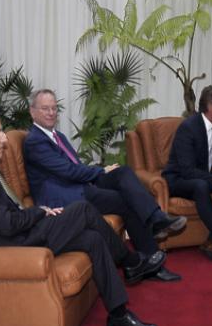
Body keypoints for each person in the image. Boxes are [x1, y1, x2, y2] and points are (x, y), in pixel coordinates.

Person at [0, 107, 160, 326]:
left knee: (92, 239)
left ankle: (119, 315)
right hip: (12, 246)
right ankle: (131, 262)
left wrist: (37, 212)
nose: (4, 139)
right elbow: (7, 225)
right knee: (83, 210)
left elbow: (4, 216)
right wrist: (38, 212)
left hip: (19, 234)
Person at [23, 89, 184, 282]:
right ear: (32, 112)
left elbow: (77, 167)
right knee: (125, 200)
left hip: (78, 184)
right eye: (45, 109)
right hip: (66, 195)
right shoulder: (34, 141)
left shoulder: (58, 136)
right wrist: (100, 171)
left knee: (123, 172)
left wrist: (102, 169)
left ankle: (156, 218)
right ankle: (149, 262)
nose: (51, 113)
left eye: (54, 108)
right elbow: (68, 171)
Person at [162, 85, 212, 260]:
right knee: (201, 185)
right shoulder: (188, 128)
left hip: (202, 179)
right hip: (178, 180)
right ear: (210, 107)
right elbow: (187, 171)